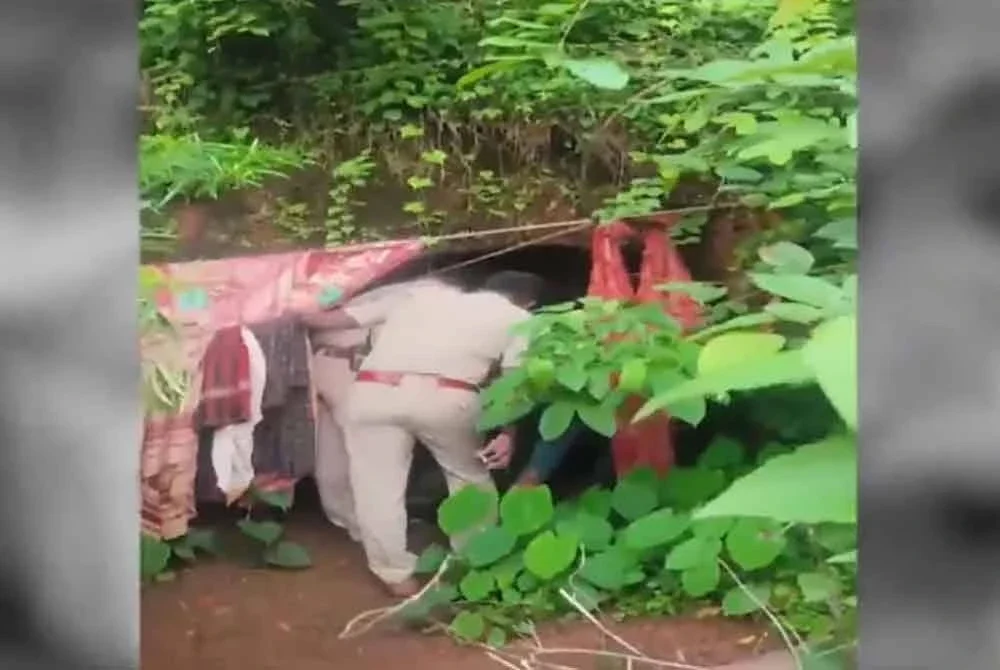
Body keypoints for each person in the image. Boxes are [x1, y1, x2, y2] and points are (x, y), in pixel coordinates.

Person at [340, 270, 544, 597]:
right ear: (529, 302)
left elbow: (338, 320)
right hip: (447, 395)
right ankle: (472, 563)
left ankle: (396, 577)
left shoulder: (422, 298)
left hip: (372, 390)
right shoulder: (519, 317)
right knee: (468, 476)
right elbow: (513, 382)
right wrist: (508, 434)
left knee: (376, 485)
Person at [298, 278, 450, 544]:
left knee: (355, 462)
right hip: (325, 375)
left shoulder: (417, 293)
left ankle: (366, 530)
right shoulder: (381, 292)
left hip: (348, 375)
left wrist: (288, 309)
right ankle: (359, 526)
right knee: (338, 464)